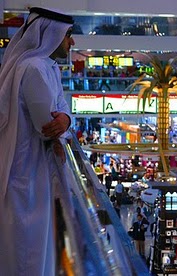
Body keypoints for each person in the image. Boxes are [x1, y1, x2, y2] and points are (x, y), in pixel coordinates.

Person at [0, 7, 75, 275]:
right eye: (68, 35)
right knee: (25, 251)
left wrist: (66, 118)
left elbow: (62, 109)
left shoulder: (47, 67)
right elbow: (48, 127)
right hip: (25, 175)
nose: (72, 42)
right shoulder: (33, 68)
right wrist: (63, 122)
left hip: (34, 174)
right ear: (51, 34)